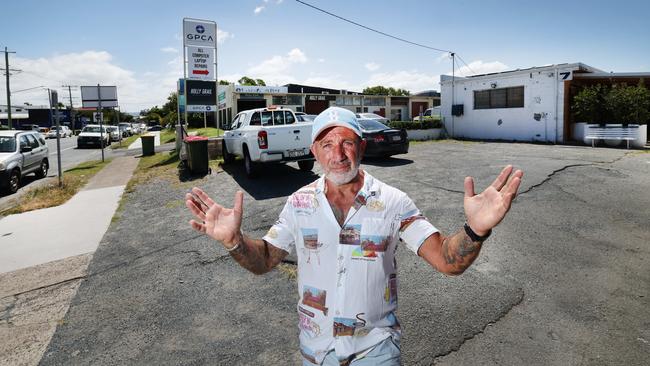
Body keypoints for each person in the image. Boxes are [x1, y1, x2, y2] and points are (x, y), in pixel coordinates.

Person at [185, 107, 523, 365]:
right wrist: (234, 241)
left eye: (347, 142)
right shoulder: (299, 203)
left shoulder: (393, 201)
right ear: (314, 151)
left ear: (361, 147)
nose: (338, 154)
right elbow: (265, 260)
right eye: (327, 144)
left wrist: (476, 229)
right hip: (316, 351)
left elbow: (448, 261)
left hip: (375, 350)